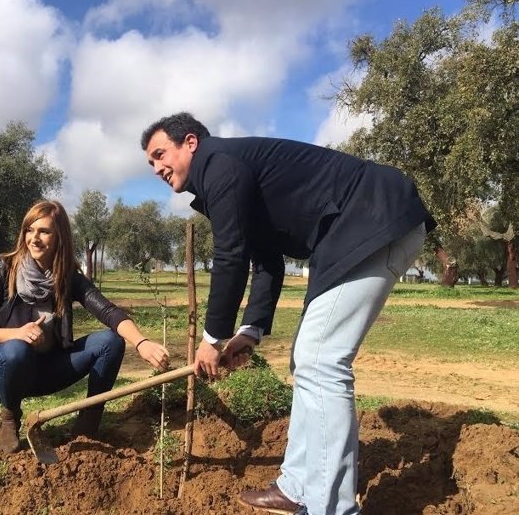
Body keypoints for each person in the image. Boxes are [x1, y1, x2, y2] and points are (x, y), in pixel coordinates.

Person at [141, 112, 436, 515]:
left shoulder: (218, 164)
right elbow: (266, 259)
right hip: (352, 231)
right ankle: (296, 487)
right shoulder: (224, 176)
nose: (157, 168)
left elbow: (230, 254)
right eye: (151, 163)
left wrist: (212, 339)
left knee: (322, 361)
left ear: (190, 142)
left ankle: (328, 507)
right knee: (308, 360)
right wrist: (250, 330)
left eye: (160, 154)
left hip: (371, 220)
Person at [0, 200, 170, 454]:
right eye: (29, 230)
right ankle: (9, 416)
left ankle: (88, 423)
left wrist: (141, 342)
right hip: (0, 375)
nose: (34, 239)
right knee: (17, 350)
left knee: (110, 342)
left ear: (60, 236)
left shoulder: (68, 277)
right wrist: (17, 335)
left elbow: (108, 311)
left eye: (44, 231)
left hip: (45, 371)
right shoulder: (3, 271)